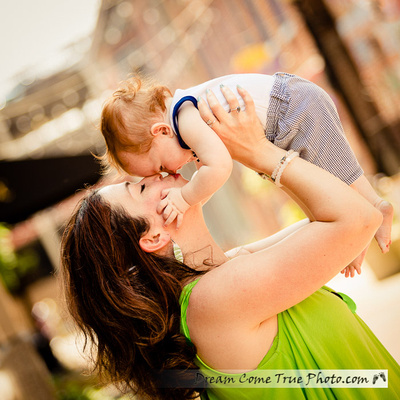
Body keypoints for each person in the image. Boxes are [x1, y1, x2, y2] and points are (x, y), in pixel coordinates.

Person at [61, 87, 400, 400]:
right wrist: (255, 150)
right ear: (153, 237)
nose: (158, 175)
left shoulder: (224, 273)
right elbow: (358, 220)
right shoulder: (212, 301)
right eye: (141, 188)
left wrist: (260, 145)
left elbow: (329, 219)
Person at [99, 72, 393, 269]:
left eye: (161, 166)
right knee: (338, 175)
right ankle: (377, 207)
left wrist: (185, 198)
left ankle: (359, 236)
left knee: (335, 184)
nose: (168, 173)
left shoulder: (185, 119)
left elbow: (220, 167)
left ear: (162, 131)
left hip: (291, 108)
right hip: (292, 105)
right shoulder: (183, 117)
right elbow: (213, 166)